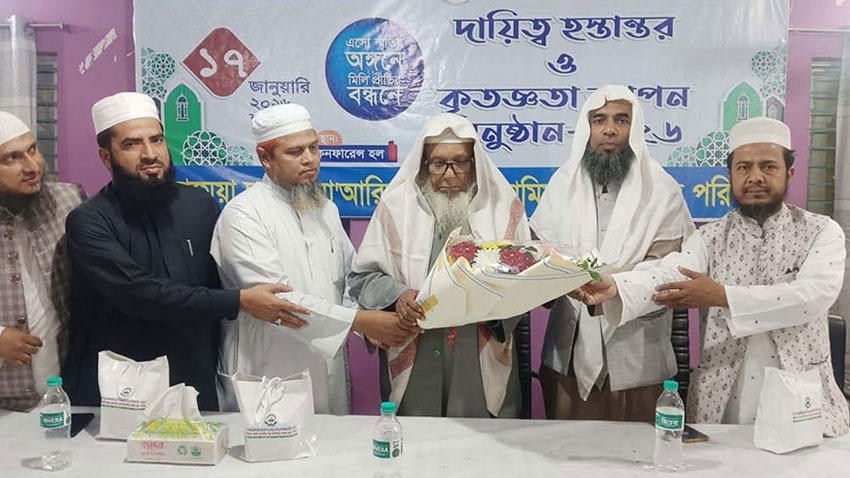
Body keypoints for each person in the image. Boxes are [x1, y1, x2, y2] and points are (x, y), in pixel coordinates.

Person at [579, 116, 849, 435]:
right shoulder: (710, 238)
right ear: (730, 175)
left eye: (768, 166)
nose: (755, 177)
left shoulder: (820, 231)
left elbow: (812, 296)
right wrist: (616, 286)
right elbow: (668, 273)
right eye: (744, 167)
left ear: (789, 172)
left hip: (802, 401)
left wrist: (723, 296)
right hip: (723, 400)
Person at [64, 92, 301, 411]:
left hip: (195, 379)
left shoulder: (199, 204)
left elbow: (217, 279)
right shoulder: (89, 221)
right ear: (107, 157)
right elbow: (139, 293)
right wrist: (240, 301)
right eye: (132, 144)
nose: (150, 154)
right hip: (123, 386)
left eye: (157, 140)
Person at [211, 103, 409, 414]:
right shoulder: (243, 215)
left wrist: (365, 326)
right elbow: (279, 302)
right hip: (269, 367)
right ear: (265, 157)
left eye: (314, 148)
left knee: (330, 441)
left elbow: (348, 279)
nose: (310, 159)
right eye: (295, 152)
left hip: (326, 368)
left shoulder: (325, 209)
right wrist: (360, 321)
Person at [349, 113, 530, 418]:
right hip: (415, 352)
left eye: (460, 163)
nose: (449, 174)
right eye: (438, 164)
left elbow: (529, 280)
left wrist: (489, 306)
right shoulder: (396, 207)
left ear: (474, 163)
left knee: (480, 441)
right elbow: (362, 278)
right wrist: (398, 295)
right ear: (423, 165)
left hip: (478, 353)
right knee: (417, 440)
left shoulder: (502, 207)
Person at [530, 85, 694, 421]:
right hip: (567, 359)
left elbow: (669, 271)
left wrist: (616, 286)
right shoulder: (563, 184)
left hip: (637, 363)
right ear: (586, 128)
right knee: (565, 449)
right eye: (599, 120)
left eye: (621, 120)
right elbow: (539, 257)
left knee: (638, 451)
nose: (609, 130)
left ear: (635, 129)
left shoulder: (661, 189)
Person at [0, 112, 85, 411]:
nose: (32, 166)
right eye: (11, 158)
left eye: (33, 150)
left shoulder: (70, 200)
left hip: (68, 395)